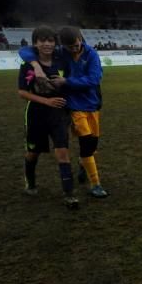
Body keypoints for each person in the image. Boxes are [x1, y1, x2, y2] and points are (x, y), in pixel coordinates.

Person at [20, 27, 109, 198]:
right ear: (64, 46)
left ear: (81, 39)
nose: (74, 49)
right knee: (85, 142)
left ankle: (83, 164)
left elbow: (94, 79)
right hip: (74, 106)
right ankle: (95, 184)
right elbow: (24, 50)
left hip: (92, 105)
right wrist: (35, 65)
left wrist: (67, 81)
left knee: (92, 145)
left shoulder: (91, 55)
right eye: (70, 47)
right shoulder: (62, 53)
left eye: (76, 45)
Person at [17, 26, 79, 209]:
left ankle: (69, 194)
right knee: (33, 152)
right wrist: (47, 101)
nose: (47, 44)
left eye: (50, 40)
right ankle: (30, 182)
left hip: (59, 112)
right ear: (35, 43)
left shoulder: (61, 59)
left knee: (62, 151)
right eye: (42, 40)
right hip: (36, 113)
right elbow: (22, 92)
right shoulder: (27, 64)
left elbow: (69, 84)